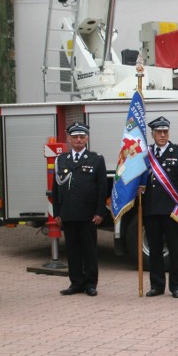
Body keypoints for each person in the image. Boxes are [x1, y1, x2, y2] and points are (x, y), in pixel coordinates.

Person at [53, 122, 107, 297]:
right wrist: (57, 213)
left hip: (88, 214)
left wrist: (100, 212)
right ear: (69, 139)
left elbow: (102, 188)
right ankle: (75, 282)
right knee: (72, 249)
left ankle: (90, 283)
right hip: (68, 213)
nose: (78, 140)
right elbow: (56, 188)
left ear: (87, 139)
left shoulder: (96, 159)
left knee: (89, 249)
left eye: (81, 137)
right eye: (75, 137)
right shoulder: (61, 160)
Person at [142, 116, 178, 298]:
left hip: (172, 210)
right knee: (155, 249)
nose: (162, 135)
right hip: (151, 209)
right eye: (159, 132)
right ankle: (156, 285)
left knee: (175, 249)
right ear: (153, 134)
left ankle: (176, 286)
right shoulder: (145, 154)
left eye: (165, 132)